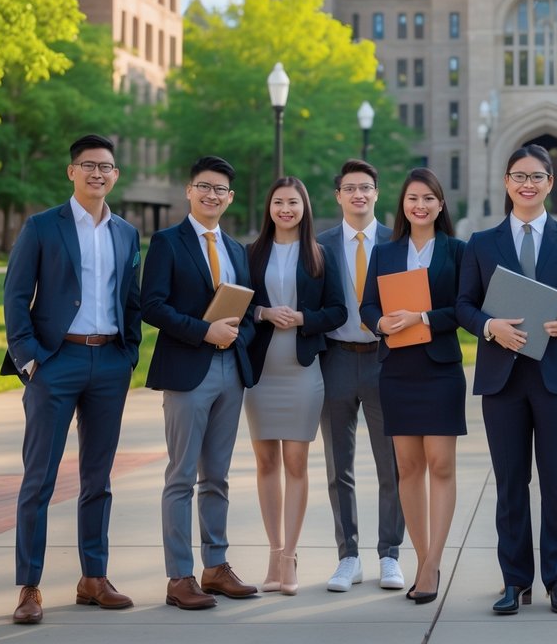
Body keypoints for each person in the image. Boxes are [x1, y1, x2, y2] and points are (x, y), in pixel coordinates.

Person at [2, 134, 142, 624]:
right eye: (88, 165)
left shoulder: (127, 232)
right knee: (38, 479)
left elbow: (131, 299)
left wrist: (129, 354)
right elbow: (16, 295)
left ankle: (93, 577)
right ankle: (29, 586)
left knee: (97, 479)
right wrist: (29, 359)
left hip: (109, 365)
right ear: (72, 172)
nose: (97, 174)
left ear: (115, 175)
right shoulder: (43, 227)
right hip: (54, 364)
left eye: (105, 167)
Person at [457, 144, 557, 616]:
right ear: (506, 181)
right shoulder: (481, 243)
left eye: (537, 176)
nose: (527, 184)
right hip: (502, 379)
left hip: (555, 376)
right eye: (519, 176)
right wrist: (487, 327)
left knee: (556, 482)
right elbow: (463, 305)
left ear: (550, 183)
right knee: (510, 483)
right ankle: (515, 581)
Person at [143, 155, 259, 610]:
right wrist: (203, 330)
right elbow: (151, 305)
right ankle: (179, 576)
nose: (212, 196)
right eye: (204, 187)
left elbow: (248, 310)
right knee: (181, 476)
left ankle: (216, 566)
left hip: (232, 371)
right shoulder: (167, 242)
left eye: (221, 191)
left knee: (218, 477)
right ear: (189, 191)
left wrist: (235, 334)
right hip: (188, 370)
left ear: (229, 199)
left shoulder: (235, 249)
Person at [359, 168, 467, 605]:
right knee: (408, 468)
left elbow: (464, 308)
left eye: (428, 198)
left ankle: (433, 561)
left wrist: (423, 318)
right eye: (411, 199)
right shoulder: (386, 253)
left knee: (440, 465)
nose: (419, 205)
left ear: (441, 205)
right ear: (402, 205)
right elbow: (368, 305)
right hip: (398, 369)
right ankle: (423, 558)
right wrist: (381, 322)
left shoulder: (458, 251)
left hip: (441, 369)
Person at [244, 177, 347, 596]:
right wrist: (264, 312)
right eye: (278, 202)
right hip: (260, 373)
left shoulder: (321, 255)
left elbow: (338, 310)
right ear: (269, 208)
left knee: (296, 464)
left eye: (293, 202)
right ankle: (272, 554)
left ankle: (290, 557)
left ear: (304, 207)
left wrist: (303, 319)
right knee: (266, 463)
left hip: (303, 371)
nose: (285, 209)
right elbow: (235, 301)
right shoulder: (250, 254)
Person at [316, 159, 405, 592]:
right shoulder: (320, 245)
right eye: (349, 188)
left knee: (391, 465)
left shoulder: (395, 242)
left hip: (384, 360)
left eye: (366, 187)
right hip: (335, 359)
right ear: (338, 196)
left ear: (376, 193)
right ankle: (347, 556)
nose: (358, 195)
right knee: (339, 467)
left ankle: (390, 554)